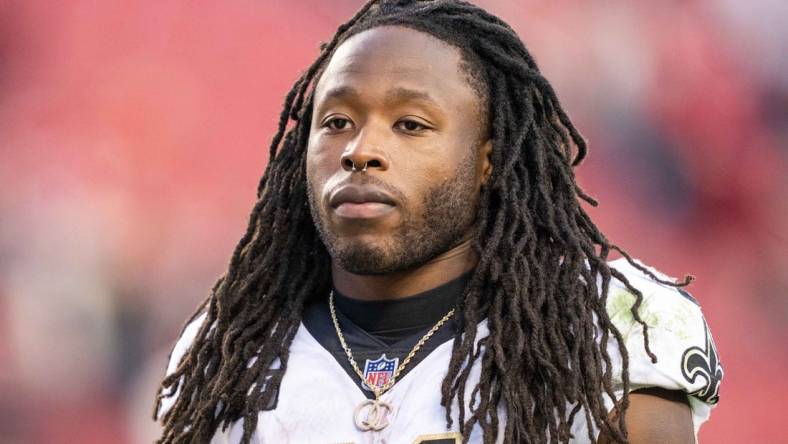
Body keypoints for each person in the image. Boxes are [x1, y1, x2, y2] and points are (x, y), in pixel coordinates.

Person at [154, 1, 723, 443]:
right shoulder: (228, 354)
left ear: (489, 160)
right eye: (336, 121)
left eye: (410, 124)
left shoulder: (608, 328)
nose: (360, 150)